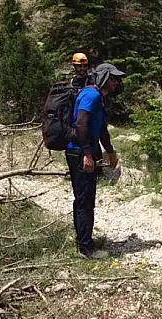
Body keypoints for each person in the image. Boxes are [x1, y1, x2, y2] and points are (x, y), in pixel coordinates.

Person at [65, 63, 124, 259]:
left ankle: (83, 239)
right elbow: (81, 123)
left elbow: (102, 130)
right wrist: (87, 154)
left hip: (82, 151)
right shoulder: (92, 96)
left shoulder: (99, 98)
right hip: (80, 153)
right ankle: (85, 248)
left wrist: (110, 152)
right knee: (84, 200)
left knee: (84, 199)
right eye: (114, 78)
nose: (117, 82)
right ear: (104, 78)